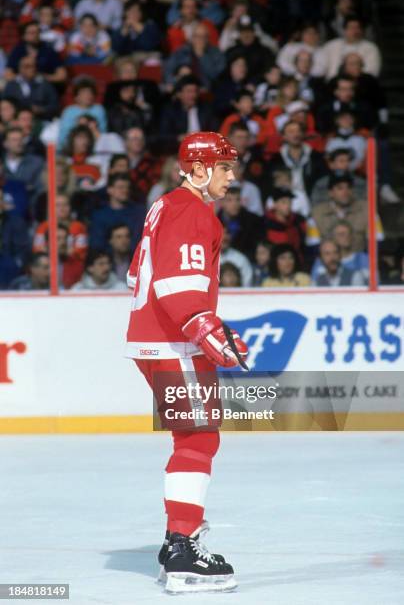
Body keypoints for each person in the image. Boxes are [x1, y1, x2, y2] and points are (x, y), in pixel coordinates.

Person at [125, 132, 247, 593]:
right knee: (198, 437)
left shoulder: (163, 206)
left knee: (191, 434)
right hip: (176, 342)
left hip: (151, 338)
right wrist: (203, 327)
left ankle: (178, 539)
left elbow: (136, 272)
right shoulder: (191, 209)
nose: (231, 177)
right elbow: (176, 282)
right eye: (224, 168)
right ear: (198, 170)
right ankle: (182, 547)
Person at [311, 174, 383, 252]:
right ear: (330, 193)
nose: (345, 192)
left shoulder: (368, 210)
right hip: (328, 263)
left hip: (360, 261)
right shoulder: (316, 213)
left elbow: (377, 240)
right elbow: (313, 245)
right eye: (340, 188)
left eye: (349, 187)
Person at [89, 172, 145, 251]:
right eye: (120, 187)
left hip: (135, 258)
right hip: (108, 260)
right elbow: (97, 245)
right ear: (109, 190)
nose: (125, 190)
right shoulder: (99, 216)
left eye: (127, 187)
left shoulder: (139, 212)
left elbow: (141, 240)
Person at [164, 22, 225, 90]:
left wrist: (202, 55)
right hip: (183, 87)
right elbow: (167, 71)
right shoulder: (181, 51)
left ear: (208, 39)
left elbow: (216, 76)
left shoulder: (216, 53)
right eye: (197, 36)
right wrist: (176, 79)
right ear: (192, 38)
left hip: (206, 88)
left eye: (204, 37)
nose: (200, 40)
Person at [321, 15, 381, 79]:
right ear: (344, 30)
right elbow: (321, 68)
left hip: (360, 84)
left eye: (358, 28)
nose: (355, 31)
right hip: (332, 84)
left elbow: (371, 72)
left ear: (362, 30)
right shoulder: (330, 46)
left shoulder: (370, 48)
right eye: (351, 28)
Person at [58, 78, 107, 149]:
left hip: (95, 145)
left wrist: (93, 128)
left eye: (90, 93)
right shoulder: (69, 111)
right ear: (76, 97)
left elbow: (103, 132)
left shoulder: (99, 109)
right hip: (72, 147)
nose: (88, 96)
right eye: (84, 93)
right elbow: (63, 135)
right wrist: (78, 125)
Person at [217, 185, 265, 259]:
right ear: (222, 203)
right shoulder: (214, 222)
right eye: (229, 200)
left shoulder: (253, 221)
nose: (234, 204)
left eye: (237, 199)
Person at [264, 187, 306, 263]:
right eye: (283, 202)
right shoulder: (265, 223)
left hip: (296, 262)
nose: (288, 206)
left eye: (289, 202)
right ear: (275, 204)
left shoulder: (298, 221)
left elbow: (302, 246)